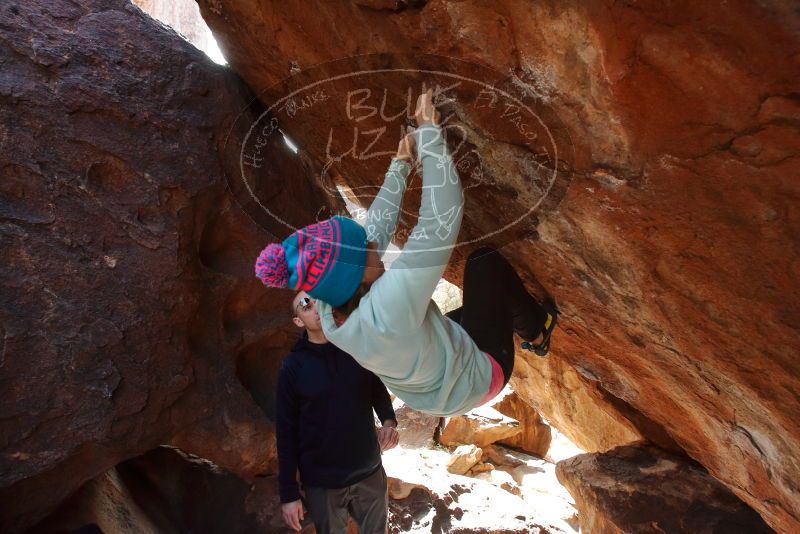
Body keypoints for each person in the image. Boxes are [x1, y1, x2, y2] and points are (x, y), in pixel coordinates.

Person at [257, 89, 558, 418]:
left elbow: (374, 233)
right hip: (478, 378)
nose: (374, 243)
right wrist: (428, 132)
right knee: (484, 266)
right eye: (367, 249)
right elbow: (440, 220)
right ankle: (537, 331)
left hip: (433, 378)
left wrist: (400, 165)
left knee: (468, 309)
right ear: (358, 276)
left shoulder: (332, 311)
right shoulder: (389, 306)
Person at [276, 290, 399, 534]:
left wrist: (389, 421)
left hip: (370, 473)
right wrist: (289, 494)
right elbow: (286, 432)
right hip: (324, 485)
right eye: (305, 304)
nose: (314, 306)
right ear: (298, 321)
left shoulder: (355, 347)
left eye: (318, 299)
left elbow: (375, 387)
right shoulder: (293, 367)